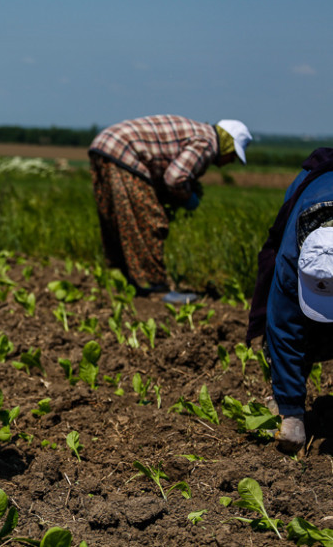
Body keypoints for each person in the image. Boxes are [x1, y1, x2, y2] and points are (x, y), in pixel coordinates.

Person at [87, 115, 252, 304]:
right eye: (233, 156)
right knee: (149, 220)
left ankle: (124, 280)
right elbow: (174, 178)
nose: (229, 162)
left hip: (104, 145)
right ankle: (155, 288)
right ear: (228, 146)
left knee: (119, 219)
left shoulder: (199, 132)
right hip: (123, 151)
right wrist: (188, 197)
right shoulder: (208, 144)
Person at [246, 147, 333, 452]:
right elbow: (284, 332)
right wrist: (292, 410)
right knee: (288, 330)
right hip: (309, 204)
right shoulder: (290, 262)